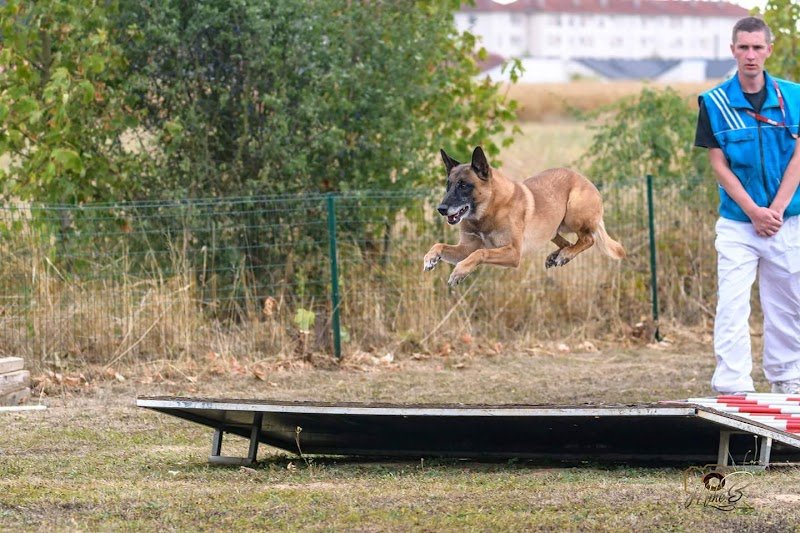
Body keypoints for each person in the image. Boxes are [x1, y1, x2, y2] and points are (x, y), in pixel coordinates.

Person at [695, 16, 800, 395]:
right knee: (732, 304)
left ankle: (788, 380)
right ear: (733, 50)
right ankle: (733, 384)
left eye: (757, 47)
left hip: (786, 221)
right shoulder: (714, 102)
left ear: (769, 50)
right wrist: (755, 211)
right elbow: (719, 165)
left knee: (787, 305)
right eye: (744, 47)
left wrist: (776, 209)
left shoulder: (795, 97)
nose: (751, 55)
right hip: (739, 223)